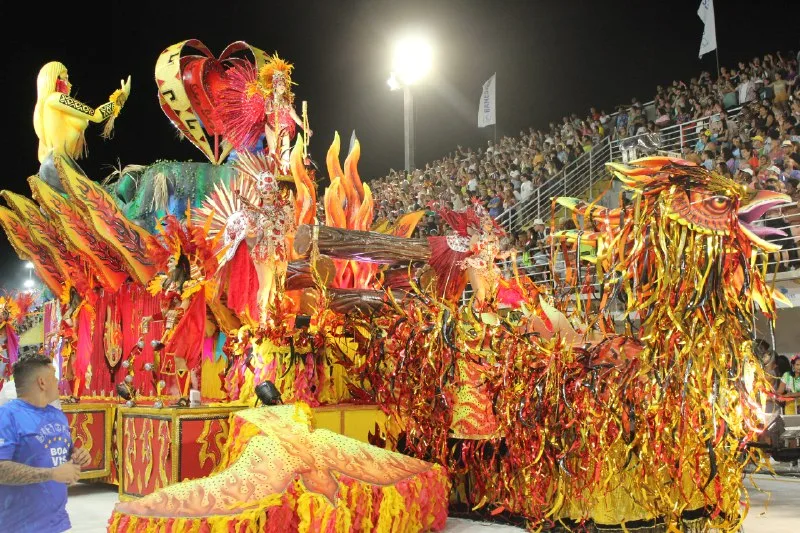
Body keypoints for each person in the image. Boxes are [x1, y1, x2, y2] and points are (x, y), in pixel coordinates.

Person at [0, 354, 91, 532]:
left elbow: (60, 456)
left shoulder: (57, 416)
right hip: (18, 526)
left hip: (56, 523)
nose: (58, 380)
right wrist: (51, 474)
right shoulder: (7, 416)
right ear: (42, 382)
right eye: (54, 375)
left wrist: (78, 456)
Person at [33, 61, 130, 192]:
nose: (70, 84)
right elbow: (96, 115)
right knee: (95, 200)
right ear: (55, 80)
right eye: (66, 78)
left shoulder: (51, 107)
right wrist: (122, 96)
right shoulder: (56, 99)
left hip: (62, 164)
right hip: (57, 166)